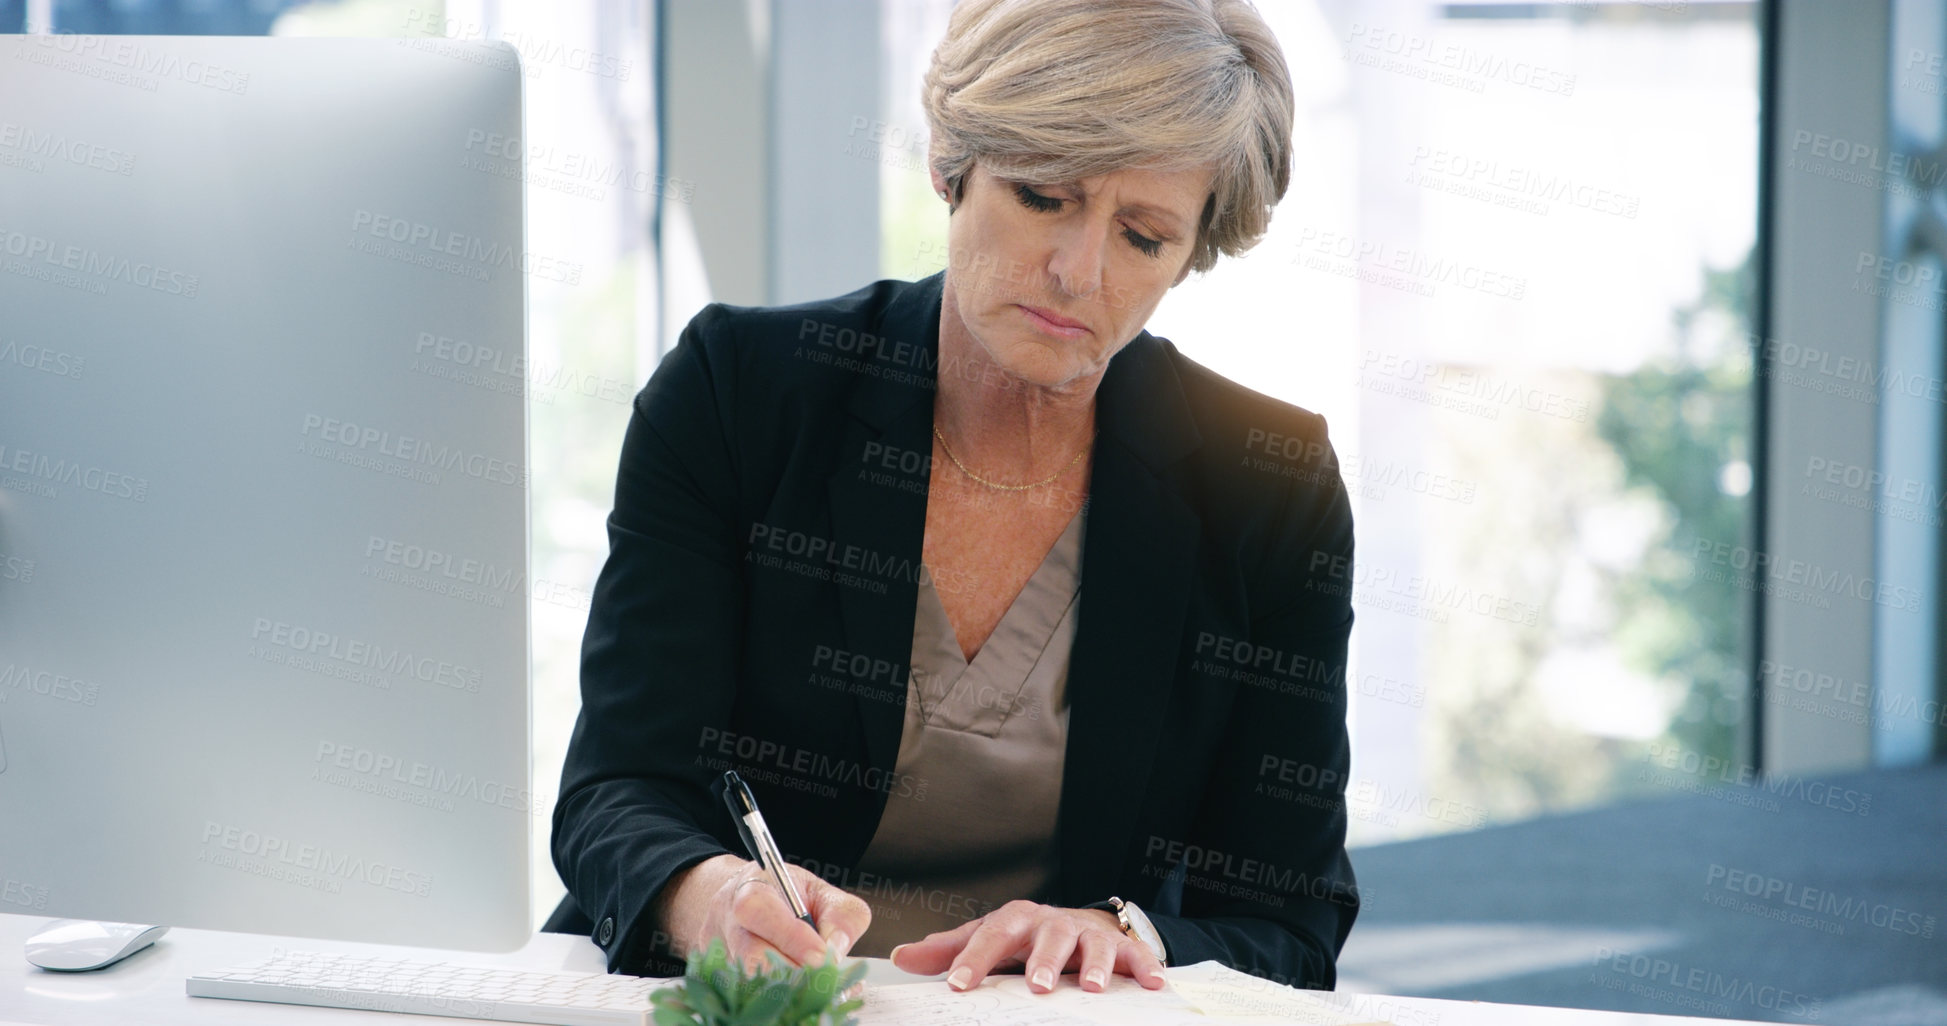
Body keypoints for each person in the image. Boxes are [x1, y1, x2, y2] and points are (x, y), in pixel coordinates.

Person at [549, 0, 1360, 996]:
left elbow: (1291, 918)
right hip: (739, 1006)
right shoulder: (739, 395)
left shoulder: (1268, 482)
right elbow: (615, 793)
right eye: (1044, 196)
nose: (1078, 271)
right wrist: (709, 895)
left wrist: (1126, 934)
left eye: (1143, 237)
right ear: (951, 159)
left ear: (1189, 258)